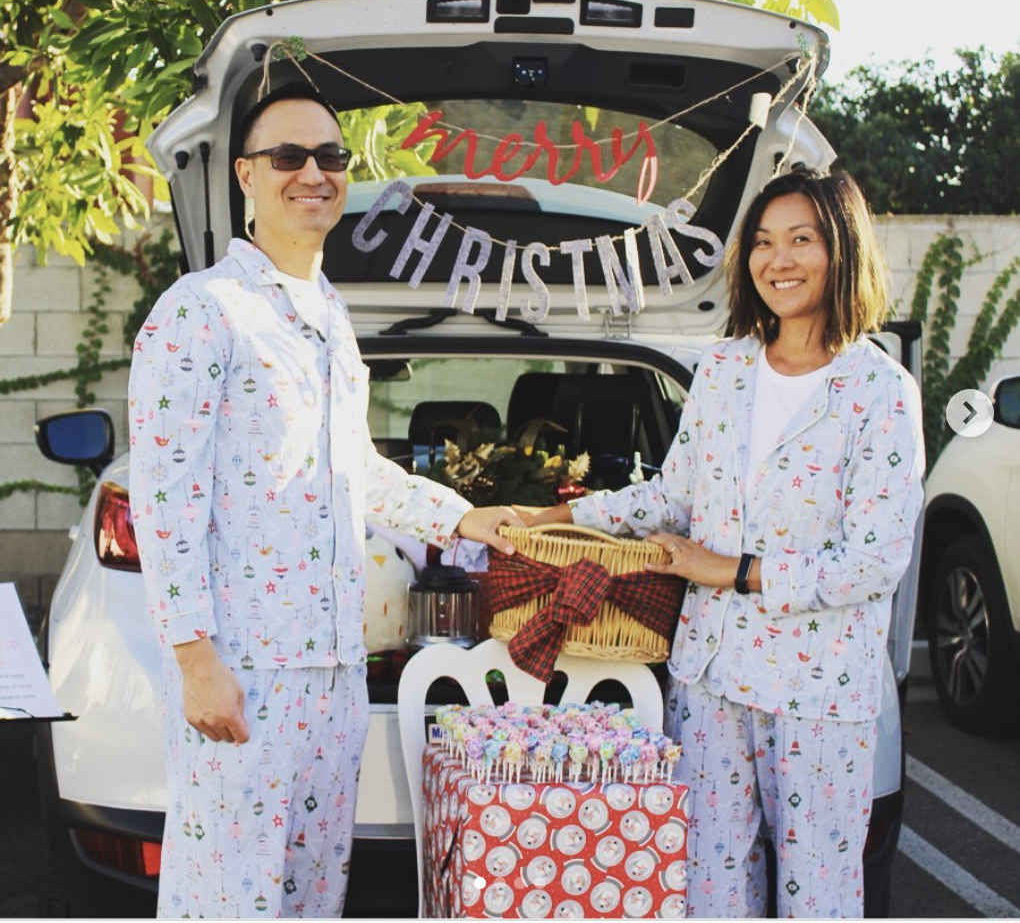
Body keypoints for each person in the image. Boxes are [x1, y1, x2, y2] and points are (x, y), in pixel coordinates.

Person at [128, 82, 523, 919]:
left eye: (331, 157)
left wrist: (461, 517)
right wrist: (196, 661)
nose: (314, 172)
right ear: (246, 174)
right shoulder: (202, 312)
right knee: (228, 898)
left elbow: (353, 467)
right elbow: (164, 501)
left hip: (335, 672)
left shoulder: (331, 315)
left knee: (312, 897)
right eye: (289, 156)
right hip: (243, 667)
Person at [521, 168, 924, 917]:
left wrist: (732, 570)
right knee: (708, 884)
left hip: (819, 689)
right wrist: (564, 517)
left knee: (820, 895)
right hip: (710, 676)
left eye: (802, 240)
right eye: (764, 243)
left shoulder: (880, 390)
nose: (780, 260)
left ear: (842, 251)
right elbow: (673, 497)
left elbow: (874, 562)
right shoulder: (725, 370)